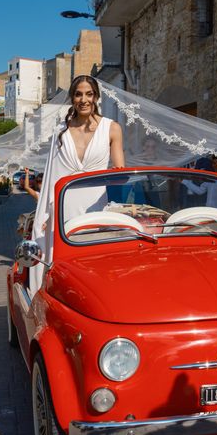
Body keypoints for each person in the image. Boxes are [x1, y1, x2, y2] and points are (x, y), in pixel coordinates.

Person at [30, 75, 125, 292]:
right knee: (59, 270)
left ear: (96, 97)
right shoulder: (60, 132)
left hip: (95, 207)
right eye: (78, 94)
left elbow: (120, 171)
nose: (84, 99)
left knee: (92, 270)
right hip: (63, 209)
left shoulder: (112, 129)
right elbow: (53, 175)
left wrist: (116, 174)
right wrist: (48, 212)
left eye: (89, 94)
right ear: (72, 98)